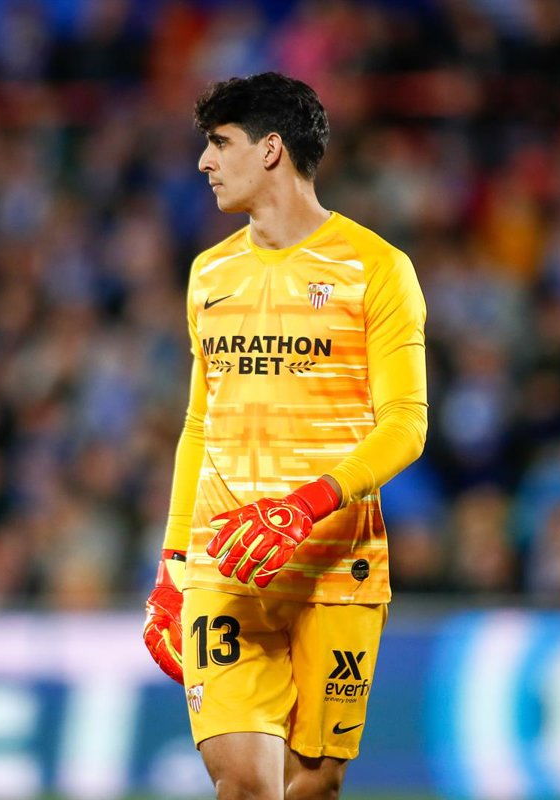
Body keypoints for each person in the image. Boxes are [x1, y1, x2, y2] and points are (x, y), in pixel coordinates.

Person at [143, 72, 427, 800]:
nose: (204, 162)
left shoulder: (377, 269)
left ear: (270, 149)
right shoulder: (209, 274)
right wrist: (174, 559)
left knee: (314, 784)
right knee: (243, 784)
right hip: (227, 562)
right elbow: (199, 423)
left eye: (219, 143)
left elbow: (406, 424)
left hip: (334, 565)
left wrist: (305, 505)